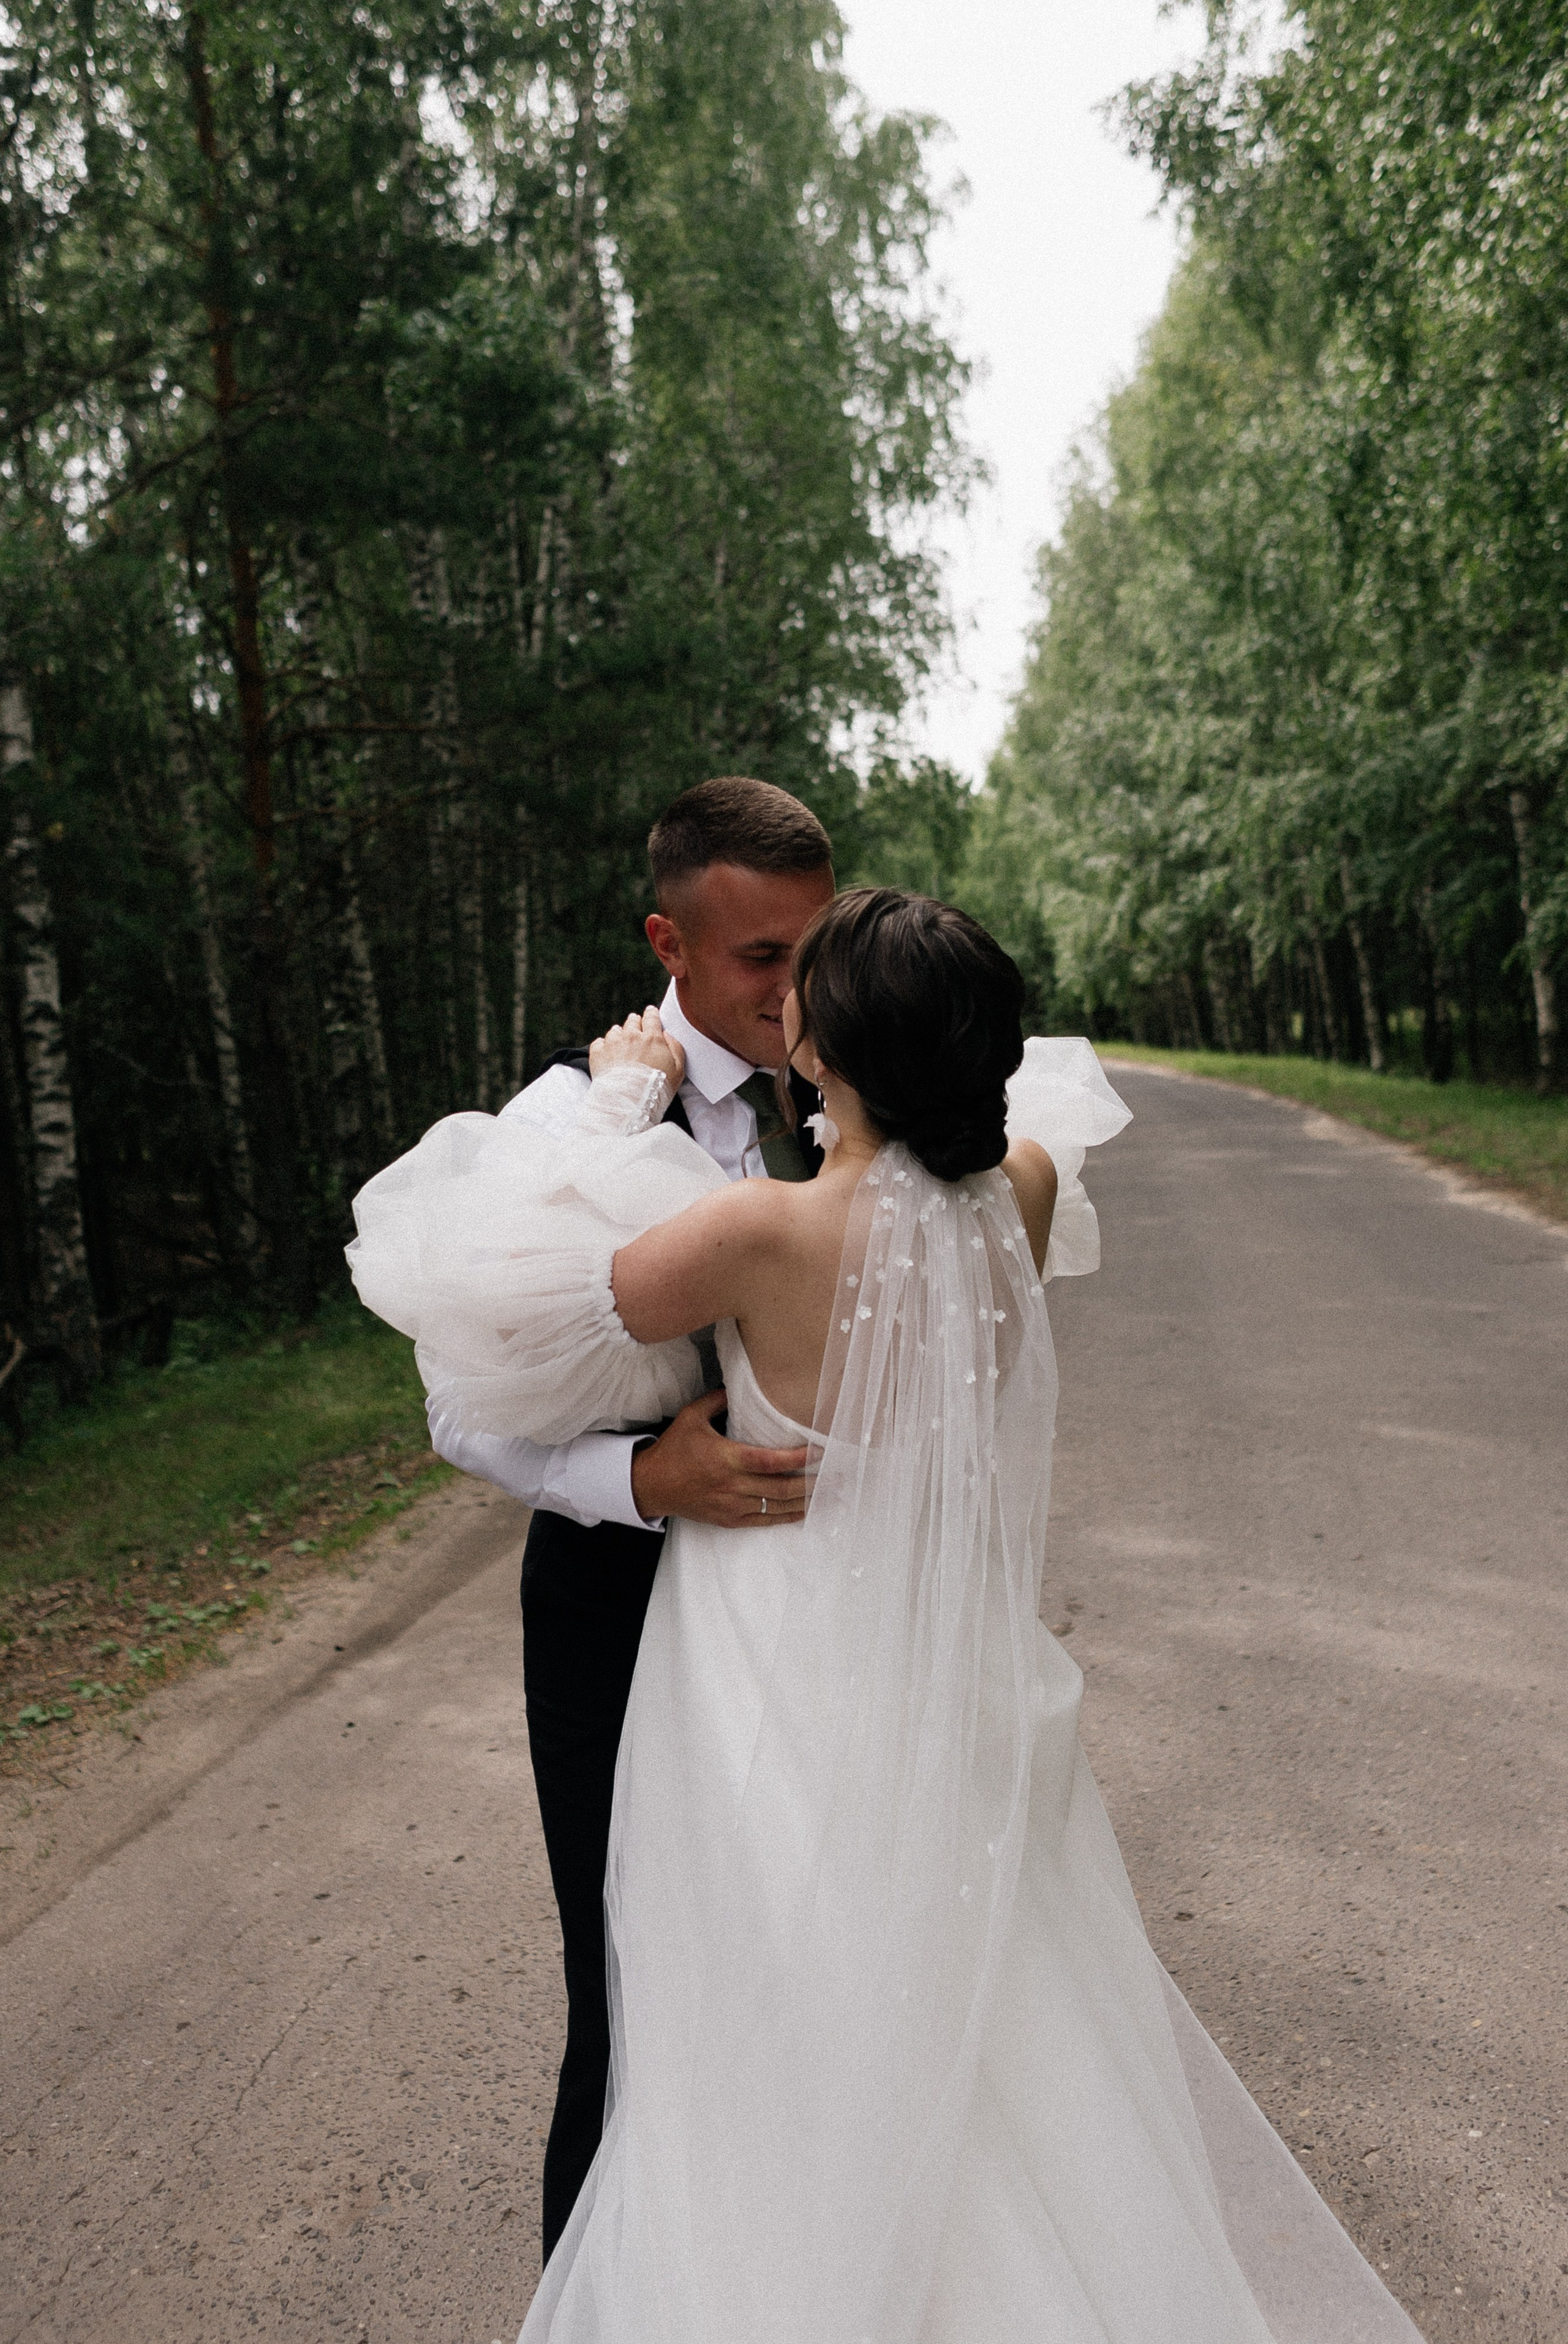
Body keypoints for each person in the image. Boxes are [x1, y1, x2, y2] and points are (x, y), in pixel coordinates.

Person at [350, 890, 1427, 2343]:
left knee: (759, 2020)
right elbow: (1034, 1118)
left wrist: (614, 1106)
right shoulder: (1022, 1196)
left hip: (764, 1672)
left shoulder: (756, 1231)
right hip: (943, 1669)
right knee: (978, 2029)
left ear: (826, 1049)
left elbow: (487, 1298)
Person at [426, 777, 835, 2256]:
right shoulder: (559, 1116)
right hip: (614, 1609)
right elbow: (461, 1408)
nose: (799, 992)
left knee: (819, 1965)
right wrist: (635, 1484)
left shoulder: (867, 1090)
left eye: (816, 944)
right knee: (627, 1984)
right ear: (667, 939)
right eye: (759, 959)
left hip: (821, 1614)